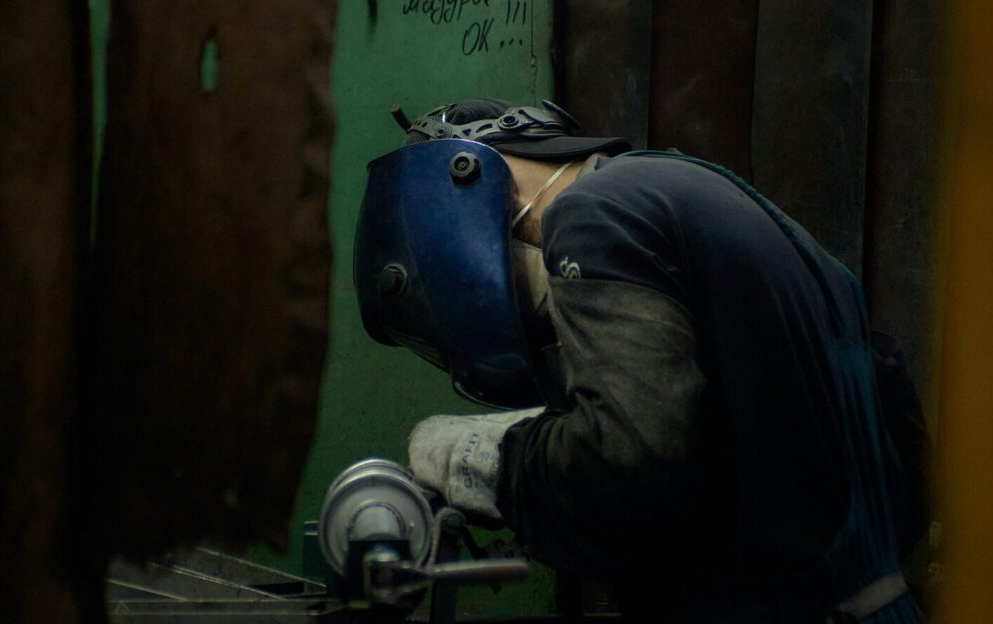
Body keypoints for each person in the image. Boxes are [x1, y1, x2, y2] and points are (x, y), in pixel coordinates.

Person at [353, 98, 924, 623]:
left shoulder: (595, 212)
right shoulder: (711, 201)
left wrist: (479, 458)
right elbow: (897, 441)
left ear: (461, 183)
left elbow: (628, 463)